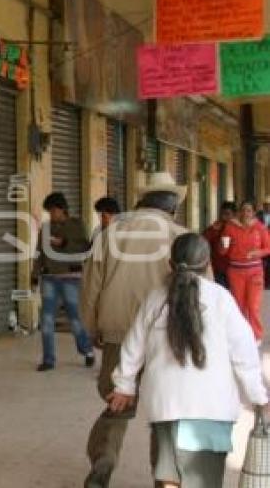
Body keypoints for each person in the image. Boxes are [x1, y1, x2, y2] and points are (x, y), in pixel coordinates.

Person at [108, 233, 267, 488]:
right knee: (201, 479)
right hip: (210, 406)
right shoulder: (220, 298)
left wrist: (124, 385)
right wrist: (259, 397)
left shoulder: (156, 298)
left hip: (166, 403)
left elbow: (133, 345)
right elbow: (244, 355)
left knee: (169, 476)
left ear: (170, 264)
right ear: (208, 265)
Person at [81, 171, 187, 488]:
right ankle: (166, 479)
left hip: (118, 332)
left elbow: (90, 288)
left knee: (117, 403)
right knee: (166, 412)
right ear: (172, 208)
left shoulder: (110, 234)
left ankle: (104, 459)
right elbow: (201, 292)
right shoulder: (183, 238)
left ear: (141, 201)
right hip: (167, 339)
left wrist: (91, 327)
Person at [33, 192, 94, 371]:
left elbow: (85, 248)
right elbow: (38, 253)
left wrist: (64, 243)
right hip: (50, 278)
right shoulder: (45, 228)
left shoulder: (76, 225)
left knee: (75, 318)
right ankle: (48, 359)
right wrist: (34, 274)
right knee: (47, 319)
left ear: (62, 209)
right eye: (49, 212)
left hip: (70, 278)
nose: (51, 215)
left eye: (53, 211)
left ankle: (87, 350)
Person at [219, 200, 270, 342]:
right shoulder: (230, 227)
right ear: (239, 212)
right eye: (243, 210)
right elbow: (222, 252)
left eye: (248, 210)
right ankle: (241, 335)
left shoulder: (260, 228)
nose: (245, 213)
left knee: (253, 306)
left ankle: (256, 336)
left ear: (253, 212)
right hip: (235, 272)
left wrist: (257, 253)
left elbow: (268, 248)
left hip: (255, 272)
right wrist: (223, 245)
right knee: (239, 306)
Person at [202, 201, 237, 289]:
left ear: (234, 215)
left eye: (227, 214)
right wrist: (213, 230)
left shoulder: (237, 229)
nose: (223, 217)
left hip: (234, 268)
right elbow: (203, 241)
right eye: (222, 214)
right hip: (218, 269)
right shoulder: (215, 228)